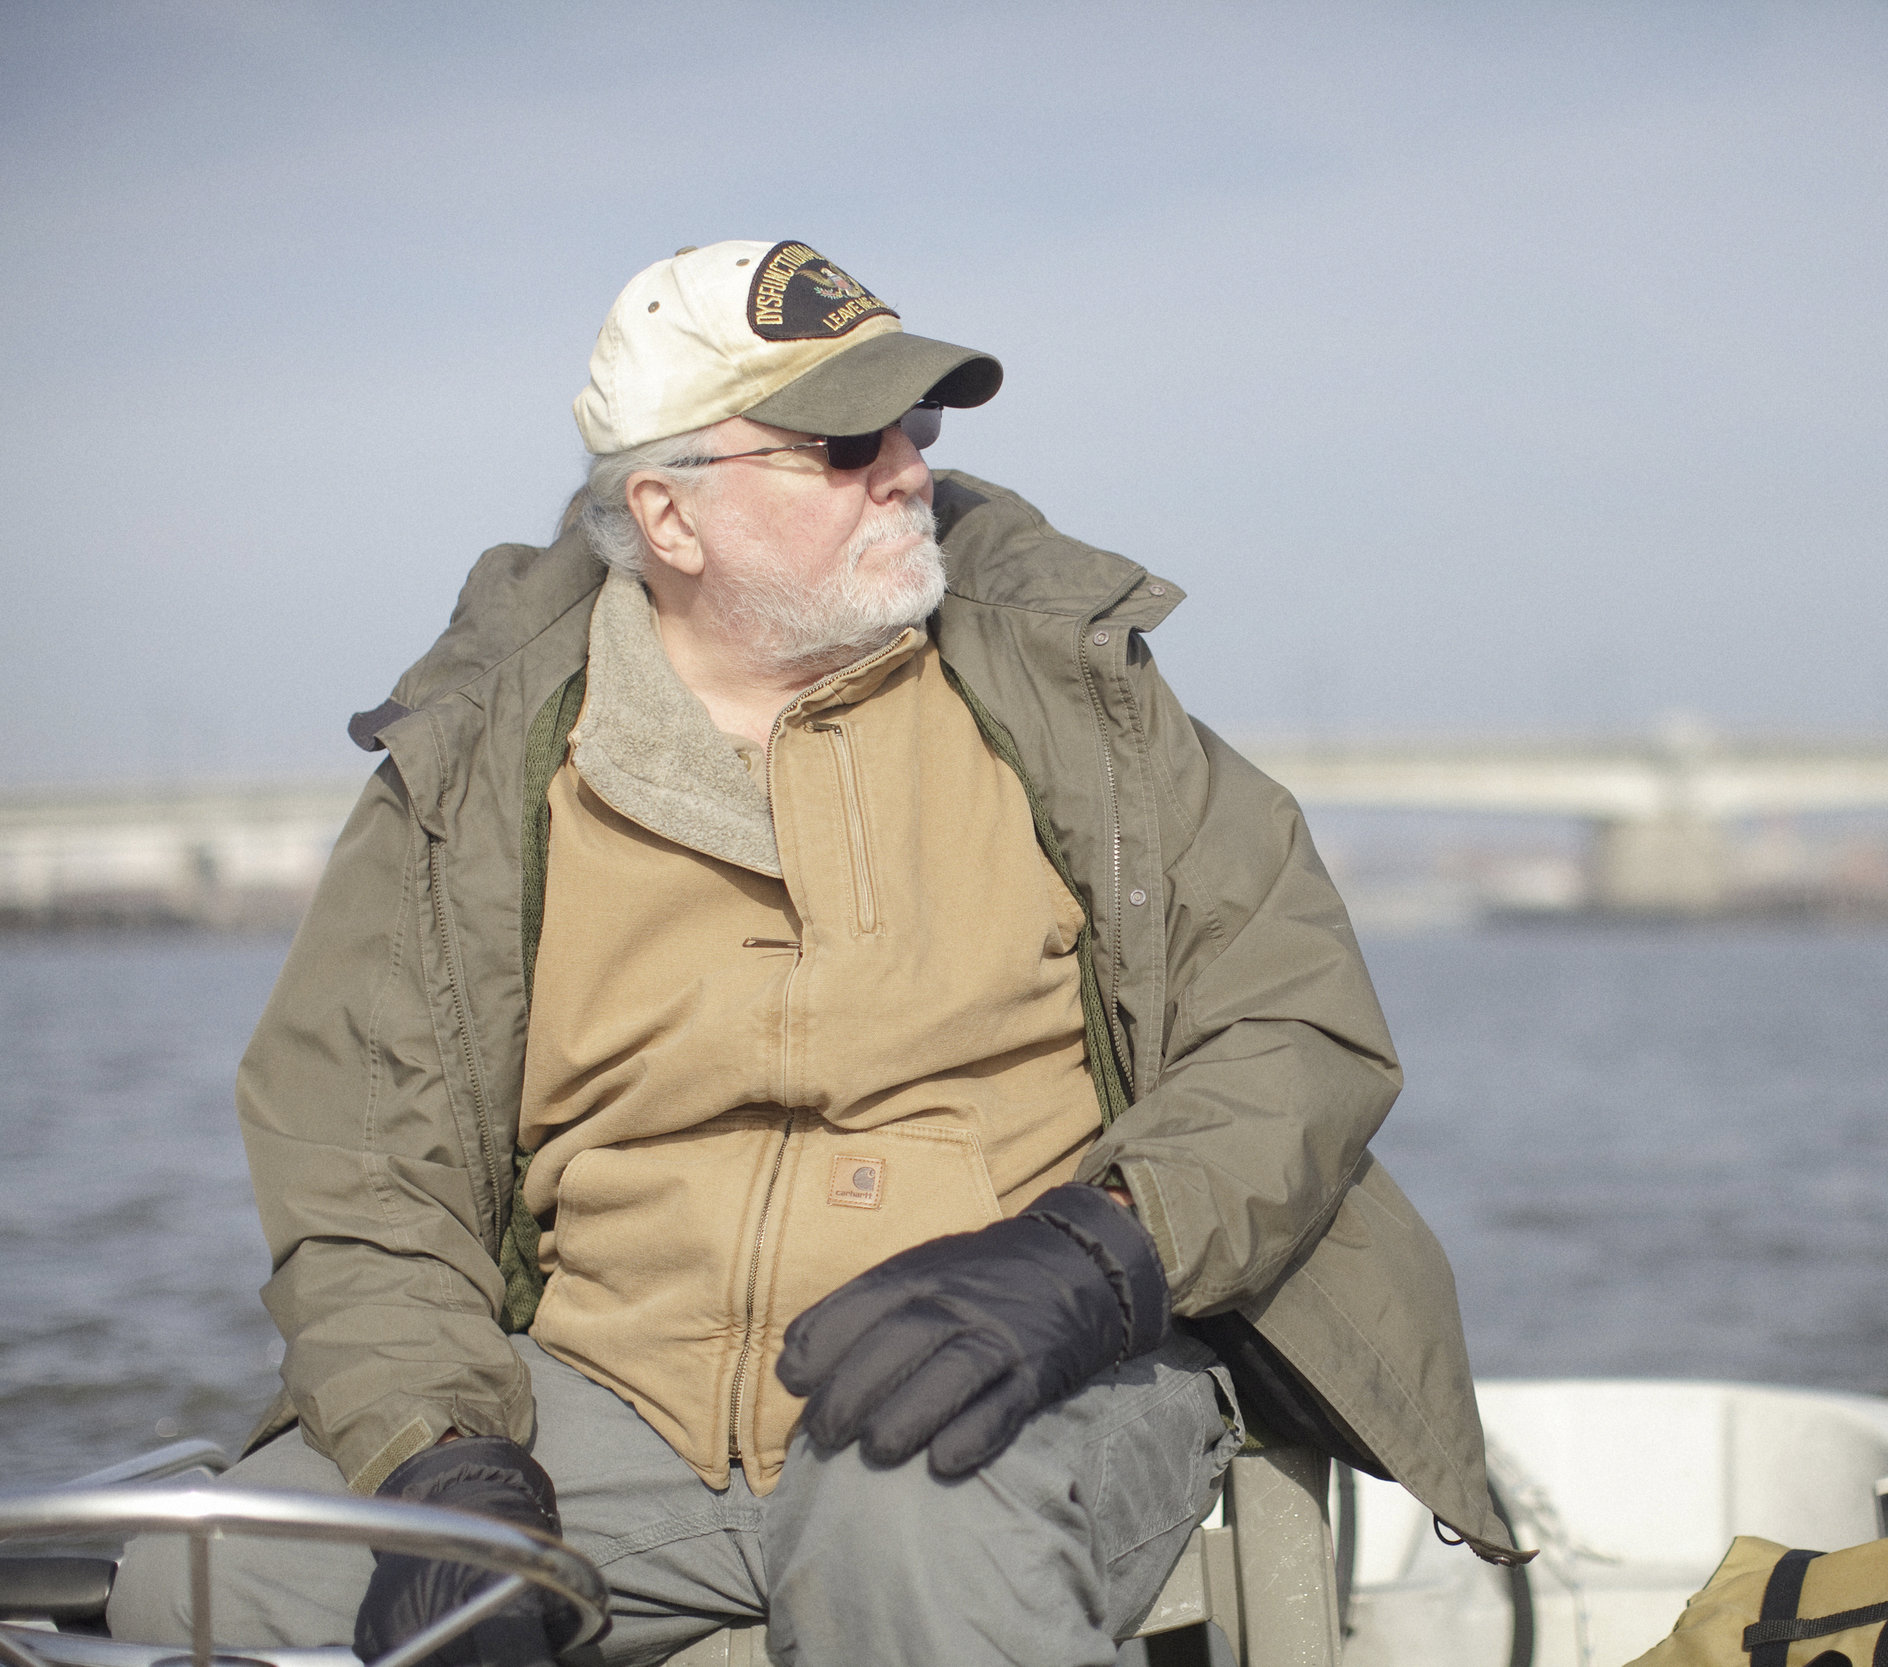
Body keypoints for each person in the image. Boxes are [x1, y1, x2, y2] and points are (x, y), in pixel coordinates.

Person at [111, 239, 1519, 1667]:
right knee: (196, 1584)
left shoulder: (1075, 698)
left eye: (917, 429)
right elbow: (356, 1179)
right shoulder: (469, 772)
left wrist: (1099, 1257)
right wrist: (447, 1457)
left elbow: (1297, 1033)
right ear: (667, 513)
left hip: (1033, 1361)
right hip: (611, 1396)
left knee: (899, 1524)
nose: (907, 470)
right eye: (845, 443)